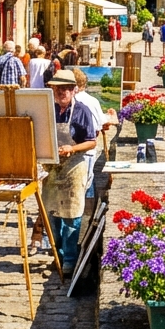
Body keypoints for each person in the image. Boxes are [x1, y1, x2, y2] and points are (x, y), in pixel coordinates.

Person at [42, 69, 98, 275]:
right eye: (58, 89)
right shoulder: (49, 109)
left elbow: (92, 141)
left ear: (74, 90)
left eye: (66, 88)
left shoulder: (81, 110)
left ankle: (70, 260)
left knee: (72, 214)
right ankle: (58, 255)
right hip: (52, 167)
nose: (62, 93)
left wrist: (71, 148)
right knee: (51, 212)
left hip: (75, 165)